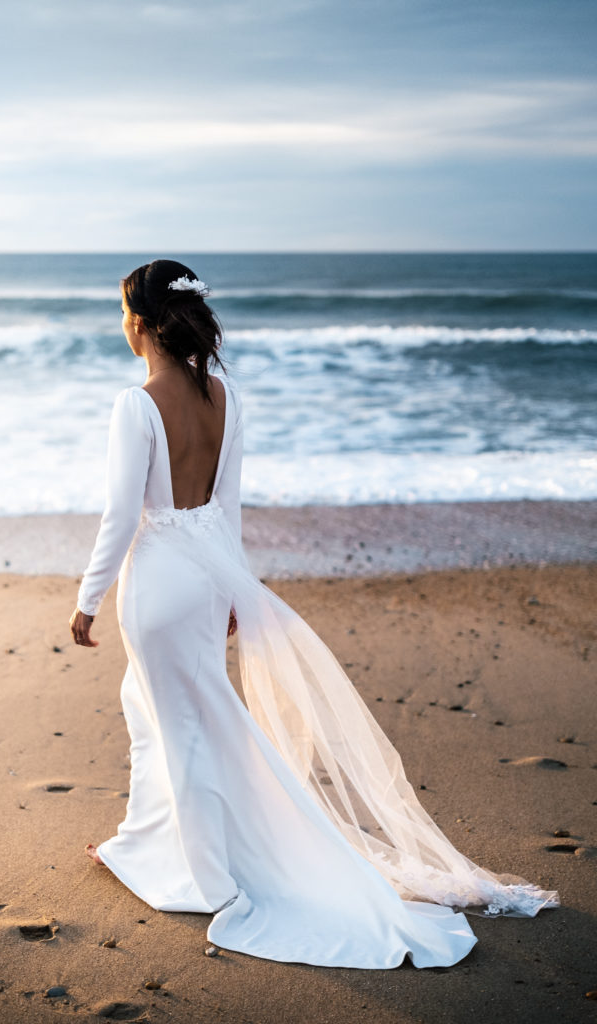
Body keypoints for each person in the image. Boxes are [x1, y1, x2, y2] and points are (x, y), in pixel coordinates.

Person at [69, 259, 558, 969]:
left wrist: (87, 600)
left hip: (159, 580)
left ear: (140, 323)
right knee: (173, 713)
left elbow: (121, 514)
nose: (122, 326)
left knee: (174, 724)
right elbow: (227, 505)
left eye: (123, 315)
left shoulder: (135, 403)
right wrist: (235, 586)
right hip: (207, 576)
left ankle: (199, 875)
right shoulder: (225, 396)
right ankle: (145, 843)